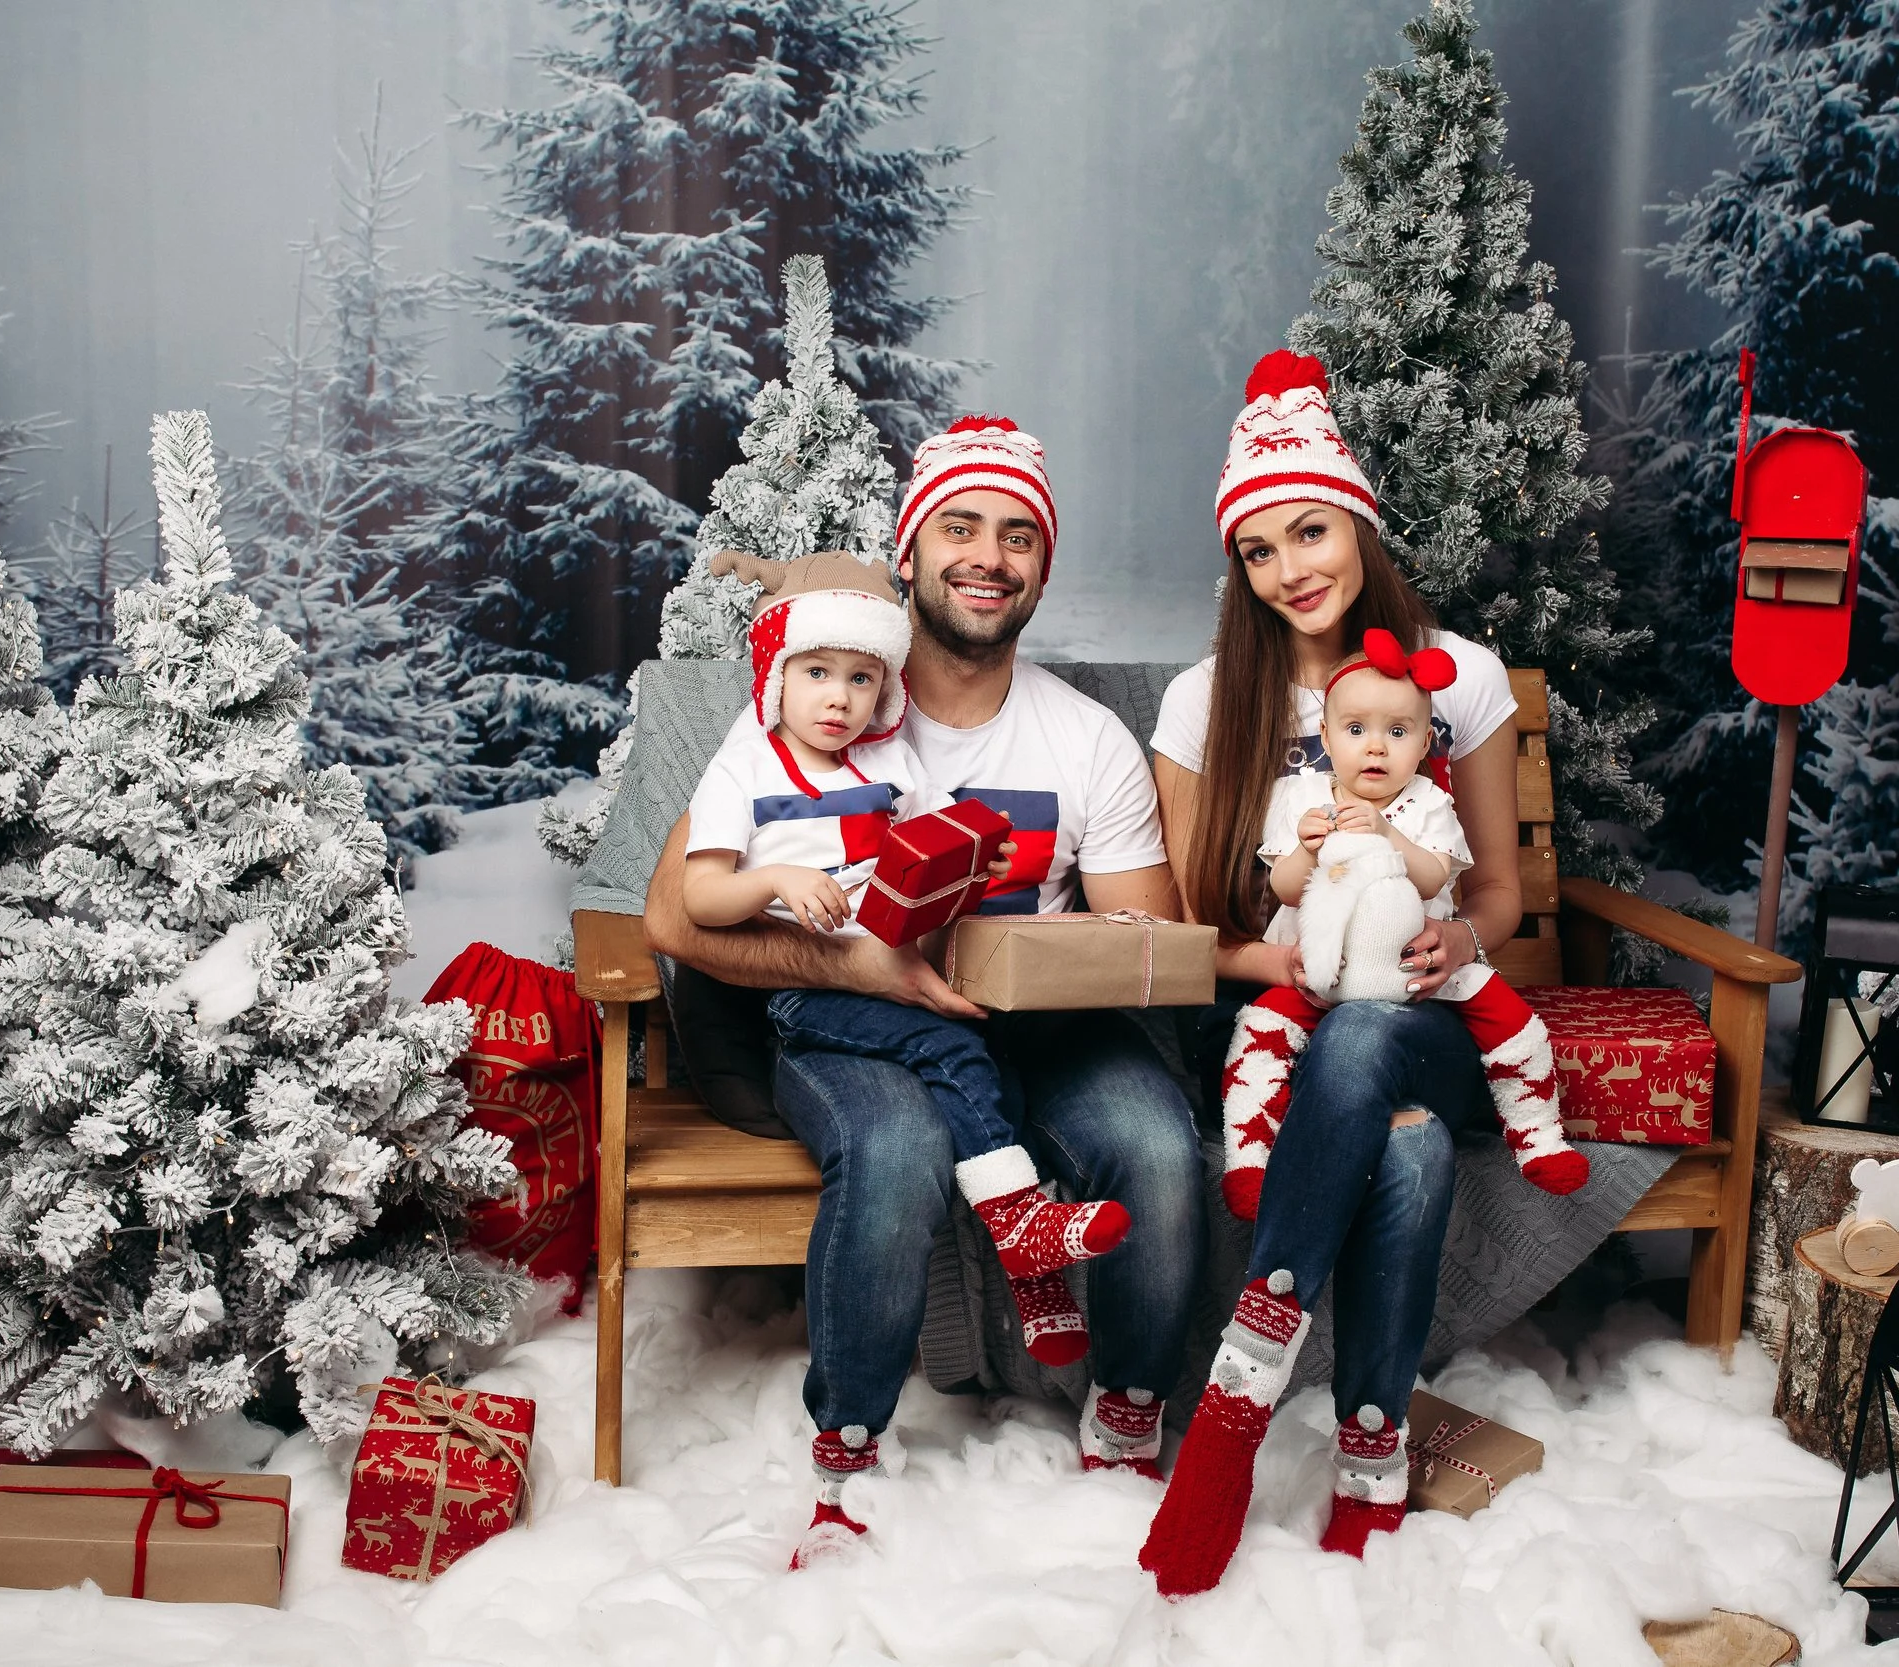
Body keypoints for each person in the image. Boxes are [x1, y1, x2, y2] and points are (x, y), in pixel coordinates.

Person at [644, 416, 1204, 1569]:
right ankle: (845, 1458)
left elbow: (1150, 940)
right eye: (959, 525)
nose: (986, 555)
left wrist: (1044, 953)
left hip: (1040, 1029)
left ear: (1043, 569)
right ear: (909, 551)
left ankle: (1130, 1410)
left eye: (1016, 536)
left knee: (1153, 1139)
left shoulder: (1085, 737)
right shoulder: (818, 705)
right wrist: (862, 961)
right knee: (894, 1151)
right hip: (856, 1022)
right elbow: (675, 912)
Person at [1136, 350, 1533, 1595]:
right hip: (1285, 1018)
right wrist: (1305, 954)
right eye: (1257, 550)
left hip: (1425, 1016)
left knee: (1380, 1053)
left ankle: (1235, 1399)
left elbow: (1501, 895)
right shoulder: (1209, 700)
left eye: (1308, 530)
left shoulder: (1452, 674)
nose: (1289, 568)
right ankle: (1370, 1453)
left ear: (1356, 520)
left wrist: (1456, 940)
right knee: (1402, 1140)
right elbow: (1203, 925)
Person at [681, 548, 1132, 1370]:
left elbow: (928, 846)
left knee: (978, 1064)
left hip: (898, 965)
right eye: (816, 671)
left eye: (860, 679)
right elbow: (698, 900)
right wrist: (775, 877)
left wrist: (970, 862)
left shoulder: (888, 762)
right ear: (776, 673)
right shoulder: (742, 766)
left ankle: (1028, 1262)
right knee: (952, 1048)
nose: (838, 697)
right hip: (805, 992)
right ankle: (1024, 1229)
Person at [1215, 625, 1588, 1214]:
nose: (1376, 748)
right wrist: (1307, 849)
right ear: (1326, 735)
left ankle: (1537, 1137)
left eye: (1398, 732)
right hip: (1323, 972)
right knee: (1257, 1036)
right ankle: (1250, 1162)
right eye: (1356, 730)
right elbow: (1284, 891)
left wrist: (1388, 833)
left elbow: (1434, 879)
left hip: (1414, 972)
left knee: (1515, 1023)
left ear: (1423, 746)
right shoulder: (1304, 803)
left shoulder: (1427, 803)